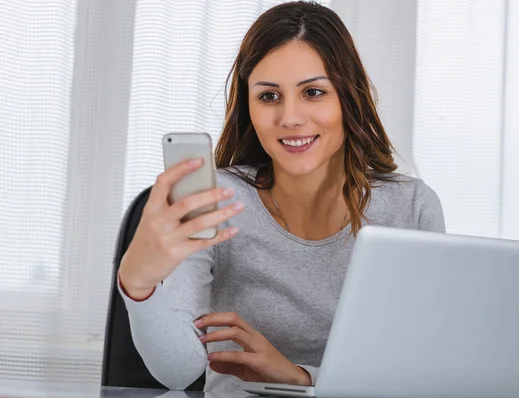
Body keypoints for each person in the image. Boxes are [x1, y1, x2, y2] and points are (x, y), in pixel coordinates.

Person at [117, 0, 445, 393]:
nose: (290, 117)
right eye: (269, 96)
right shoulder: (216, 201)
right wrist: (137, 283)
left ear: (348, 97)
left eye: (313, 92)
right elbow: (179, 372)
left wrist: (300, 379)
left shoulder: (410, 207)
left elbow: (421, 370)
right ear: (248, 107)